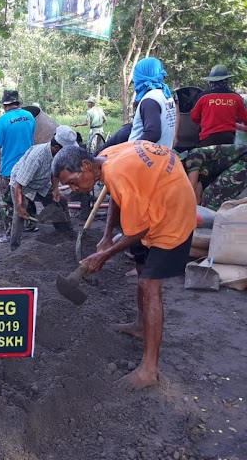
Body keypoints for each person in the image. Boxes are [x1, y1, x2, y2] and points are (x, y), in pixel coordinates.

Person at [52, 142, 197, 390]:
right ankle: (141, 326)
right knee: (141, 267)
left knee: (150, 285)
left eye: (74, 182)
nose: (74, 189)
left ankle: (149, 370)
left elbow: (139, 230)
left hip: (173, 215)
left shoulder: (119, 172)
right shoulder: (105, 159)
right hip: (153, 199)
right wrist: (107, 234)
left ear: (86, 165)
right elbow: (115, 192)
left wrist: (104, 255)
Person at [9, 125, 76, 250]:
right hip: (22, 182)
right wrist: (19, 206)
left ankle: (65, 233)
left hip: (42, 182)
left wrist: (55, 189)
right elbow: (19, 184)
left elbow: (54, 172)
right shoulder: (37, 157)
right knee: (19, 215)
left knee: (60, 202)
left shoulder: (58, 156)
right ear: (56, 148)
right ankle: (14, 247)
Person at [0, 89, 36, 243]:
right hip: (29, 165)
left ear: (5, 105)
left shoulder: (3, 121)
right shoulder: (29, 116)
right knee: (27, 194)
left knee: (5, 200)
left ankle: (10, 232)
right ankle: (31, 224)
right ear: (18, 102)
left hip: (10, 167)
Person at [190, 65, 247, 147]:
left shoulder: (203, 97)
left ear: (211, 82)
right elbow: (244, 117)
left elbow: (194, 117)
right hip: (228, 138)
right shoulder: (236, 97)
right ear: (226, 80)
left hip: (207, 139)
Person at [127, 57, 177, 148]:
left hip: (142, 157)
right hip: (163, 154)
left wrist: (129, 150)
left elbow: (153, 133)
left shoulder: (150, 100)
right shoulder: (165, 95)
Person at [179, 145, 247, 211]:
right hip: (237, 165)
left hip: (243, 161)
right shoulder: (186, 171)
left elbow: (191, 188)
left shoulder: (192, 157)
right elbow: (197, 192)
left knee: (210, 199)